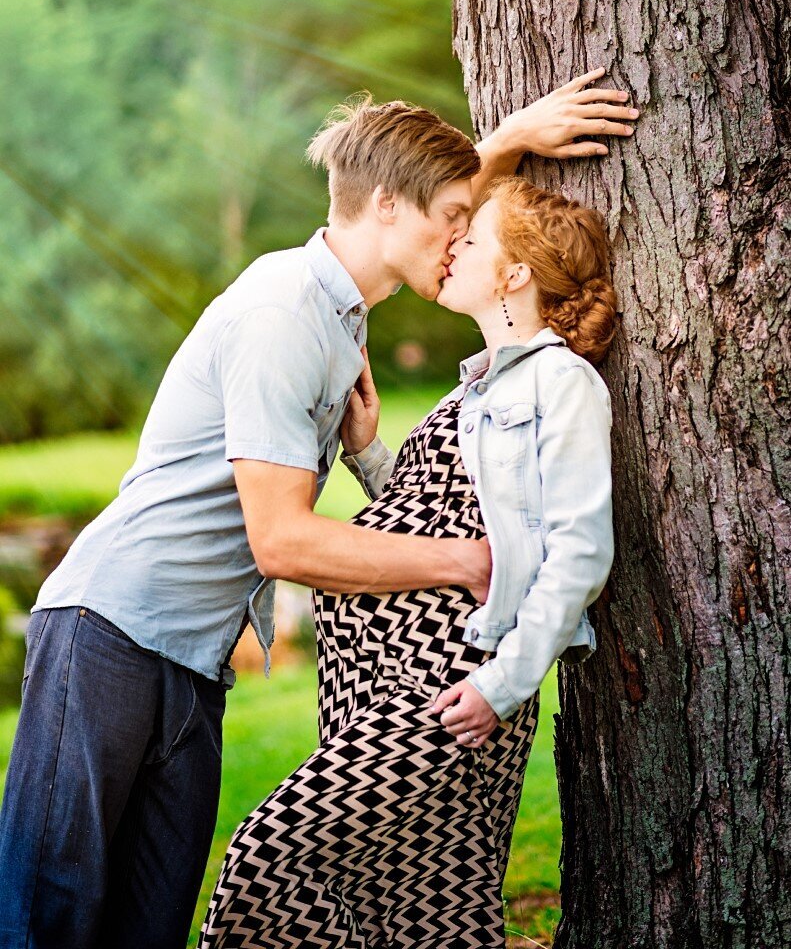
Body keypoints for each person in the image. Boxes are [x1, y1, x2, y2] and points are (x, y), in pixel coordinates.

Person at [0, 70, 637, 949]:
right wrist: (464, 563)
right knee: (51, 915)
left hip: (192, 658)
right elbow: (282, 541)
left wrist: (511, 139)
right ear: (384, 207)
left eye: (468, 225)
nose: (458, 240)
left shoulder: (345, 315)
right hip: (111, 629)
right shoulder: (285, 315)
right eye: (452, 219)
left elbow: (433, 210)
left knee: (148, 920)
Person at [199, 175, 617, 948]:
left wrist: (501, 683)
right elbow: (441, 512)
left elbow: (579, 553)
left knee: (269, 859)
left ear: (515, 273)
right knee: (422, 902)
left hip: (449, 679)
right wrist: (368, 453)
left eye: (474, 238)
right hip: (368, 672)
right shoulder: (473, 388)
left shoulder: (562, 384)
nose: (453, 246)